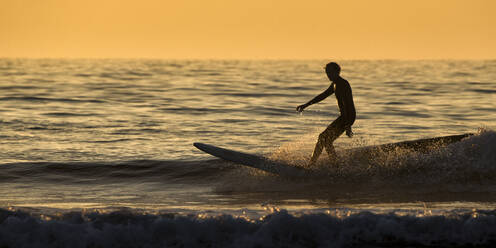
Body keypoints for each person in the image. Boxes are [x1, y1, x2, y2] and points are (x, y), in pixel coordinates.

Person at [296, 62, 356, 166]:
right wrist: (306, 105)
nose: (328, 75)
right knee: (326, 141)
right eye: (327, 72)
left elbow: (345, 105)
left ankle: (312, 165)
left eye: (330, 72)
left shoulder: (342, 84)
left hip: (347, 116)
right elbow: (322, 96)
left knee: (322, 138)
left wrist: (347, 126)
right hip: (345, 116)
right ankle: (335, 165)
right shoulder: (335, 84)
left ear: (336, 72)